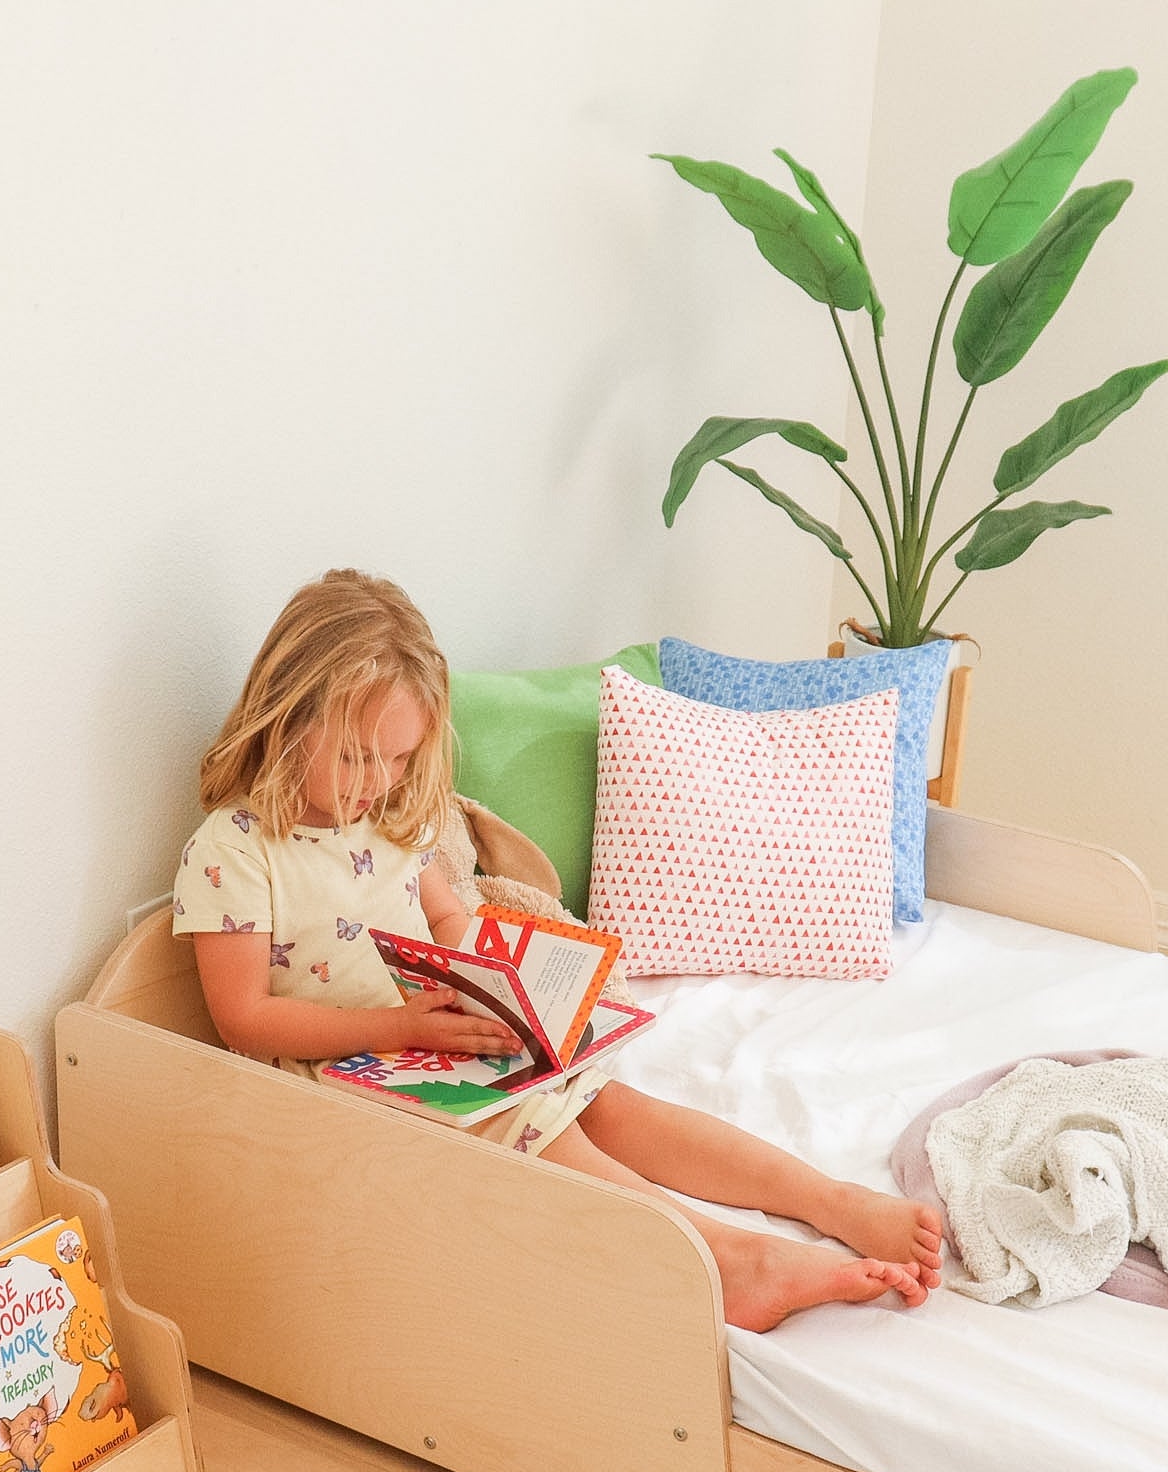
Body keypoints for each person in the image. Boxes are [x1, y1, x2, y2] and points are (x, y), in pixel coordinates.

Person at [171, 568, 942, 1331]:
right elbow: (243, 1018)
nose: (379, 781)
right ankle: (729, 1261)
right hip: (340, 1077)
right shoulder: (235, 850)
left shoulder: (390, 818)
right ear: (285, 714)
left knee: (604, 1100)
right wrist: (399, 1031)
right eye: (356, 757)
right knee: (539, 1129)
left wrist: (508, 988)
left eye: (400, 758)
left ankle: (827, 1199)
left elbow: (450, 922)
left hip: (432, 1041)